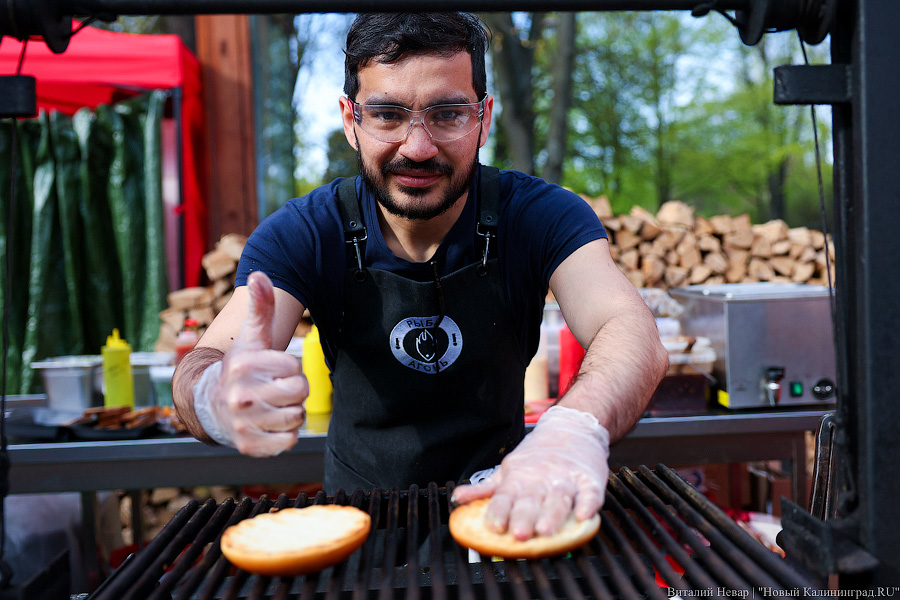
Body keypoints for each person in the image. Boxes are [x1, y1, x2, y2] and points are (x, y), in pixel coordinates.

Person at [173, 12, 668, 542]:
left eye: (448, 114)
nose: (417, 147)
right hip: (361, 532)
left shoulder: (541, 215)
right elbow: (204, 362)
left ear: (484, 118)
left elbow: (630, 330)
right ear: (350, 120)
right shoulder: (306, 231)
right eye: (387, 115)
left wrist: (576, 427)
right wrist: (213, 396)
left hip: (509, 517)